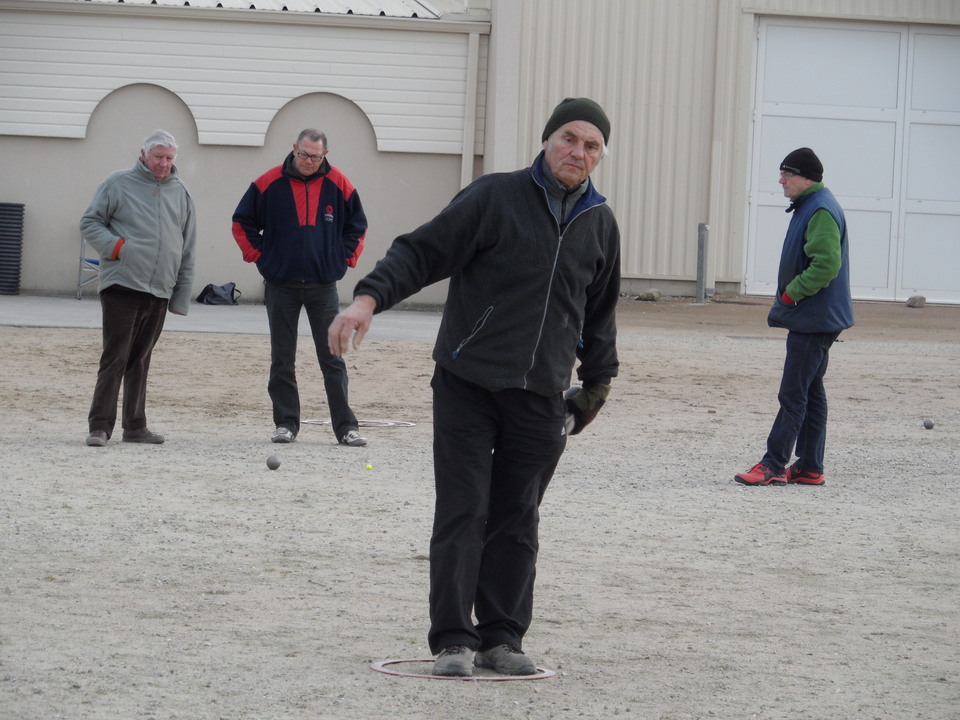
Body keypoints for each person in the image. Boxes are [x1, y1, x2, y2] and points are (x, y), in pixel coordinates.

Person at [328, 98, 620, 676]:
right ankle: (454, 641)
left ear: (600, 156)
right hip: (467, 382)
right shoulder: (494, 197)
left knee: (518, 516)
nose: (578, 152)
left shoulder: (600, 223)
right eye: (569, 138)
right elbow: (422, 251)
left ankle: (502, 638)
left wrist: (596, 385)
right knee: (464, 508)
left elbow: (600, 312)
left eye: (591, 146)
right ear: (546, 140)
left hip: (540, 393)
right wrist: (368, 299)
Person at [232, 128, 369, 447]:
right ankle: (286, 423)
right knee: (282, 357)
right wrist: (259, 256)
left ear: (326, 155)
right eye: (304, 154)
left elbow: (357, 226)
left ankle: (346, 427)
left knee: (333, 356)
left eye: (316, 156)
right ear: (293, 149)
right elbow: (242, 222)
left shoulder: (340, 184)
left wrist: (345, 257)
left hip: (323, 286)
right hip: (281, 285)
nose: (308, 161)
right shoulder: (268, 183)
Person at [735, 147, 853, 487]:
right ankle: (810, 467)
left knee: (793, 393)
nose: (781, 180)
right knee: (811, 390)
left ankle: (773, 464)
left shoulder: (819, 210)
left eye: (787, 174)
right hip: (819, 317)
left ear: (806, 178)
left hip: (814, 318)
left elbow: (827, 264)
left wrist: (792, 293)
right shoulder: (812, 205)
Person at [81, 129, 197, 447]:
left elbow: (187, 247)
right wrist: (117, 248)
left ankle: (135, 427)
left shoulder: (181, 193)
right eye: (158, 156)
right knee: (115, 356)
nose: (163, 163)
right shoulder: (118, 183)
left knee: (141, 359)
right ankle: (100, 426)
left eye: (169, 158)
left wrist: (181, 294)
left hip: (159, 289)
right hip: (122, 282)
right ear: (143, 154)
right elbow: (90, 221)